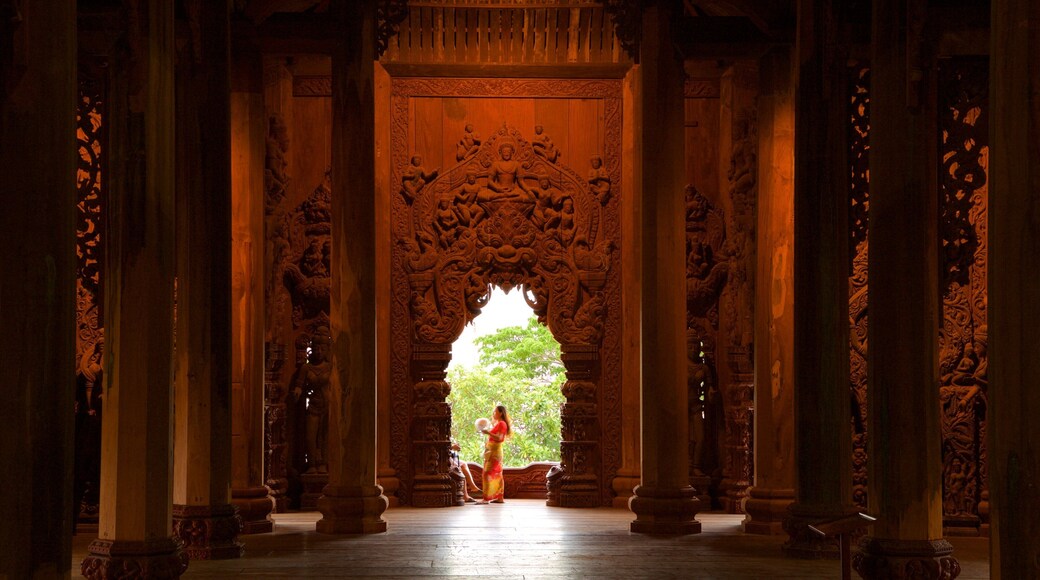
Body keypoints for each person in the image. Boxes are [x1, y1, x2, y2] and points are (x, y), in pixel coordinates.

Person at [477, 405, 512, 504]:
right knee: (496, 473)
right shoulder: (498, 423)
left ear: (500, 413)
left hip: (495, 452)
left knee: (487, 473)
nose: (493, 414)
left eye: (495, 412)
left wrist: (488, 432)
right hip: (493, 450)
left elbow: (500, 438)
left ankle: (486, 498)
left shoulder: (502, 423)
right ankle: (499, 497)